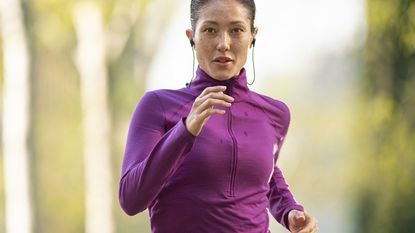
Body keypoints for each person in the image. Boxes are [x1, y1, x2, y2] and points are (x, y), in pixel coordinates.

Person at [119, 0, 318, 232]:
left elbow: (267, 177)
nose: (224, 44)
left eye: (236, 30)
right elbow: (131, 200)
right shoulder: (158, 106)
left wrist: (290, 210)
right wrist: (184, 132)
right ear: (191, 37)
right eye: (210, 30)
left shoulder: (275, 114)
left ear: (253, 36)